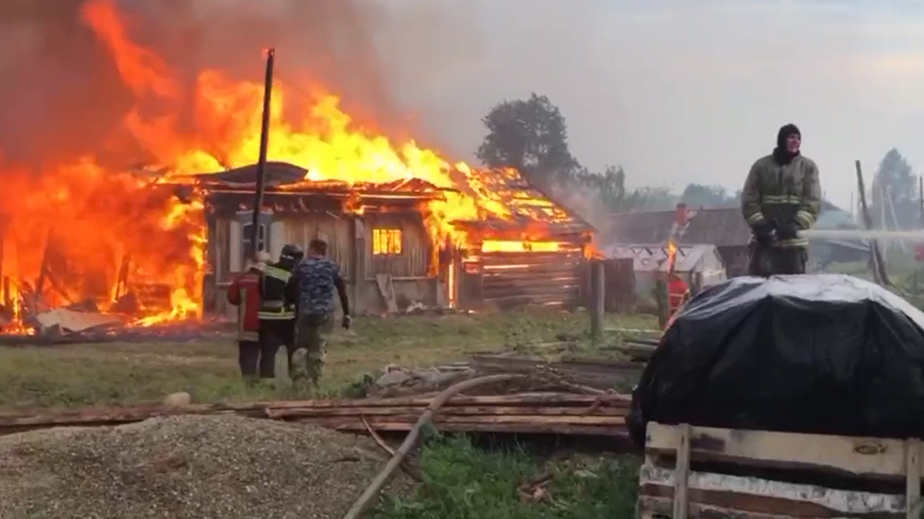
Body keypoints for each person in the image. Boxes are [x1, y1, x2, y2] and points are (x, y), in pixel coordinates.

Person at [741, 123, 822, 276]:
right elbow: (749, 200)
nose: (796, 141)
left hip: (794, 247)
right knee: (760, 292)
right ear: (781, 140)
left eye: (798, 138)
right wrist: (761, 226)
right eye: (791, 137)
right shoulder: (760, 167)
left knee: (792, 294)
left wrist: (795, 225)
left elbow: (813, 201)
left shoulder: (808, 167)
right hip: (764, 245)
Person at [285, 238, 351, 388]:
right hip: (325, 313)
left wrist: (291, 303)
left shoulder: (302, 266)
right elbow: (341, 289)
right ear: (324, 251)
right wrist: (347, 313)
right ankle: (315, 381)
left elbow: (289, 287)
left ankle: (299, 380)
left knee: (301, 346)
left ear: (312, 249)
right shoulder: (331, 267)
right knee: (318, 347)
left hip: (305, 312)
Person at [256, 244, 303, 380]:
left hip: (265, 318)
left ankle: (266, 381)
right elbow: (295, 298)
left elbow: (260, 290)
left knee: (268, 352)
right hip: (285, 319)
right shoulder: (291, 275)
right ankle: (295, 379)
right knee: (292, 350)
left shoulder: (267, 271)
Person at [226, 251, 271, 384]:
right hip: (268, 324)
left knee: (248, 354)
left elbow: (232, 298)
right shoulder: (272, 279)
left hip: (247, 325)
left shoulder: (242, 279)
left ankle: (248, 382)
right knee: (267, 354)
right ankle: (265, 382)